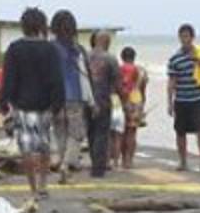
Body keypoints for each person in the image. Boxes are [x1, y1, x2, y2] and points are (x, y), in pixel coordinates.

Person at [0, 7, 65, 200]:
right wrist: (57, 104)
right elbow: (57, 79)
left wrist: (3, 102)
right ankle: (44, 183)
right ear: (41, 26)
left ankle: (33, 188)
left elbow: (8, 78)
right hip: (45, 105)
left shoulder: (15, 48)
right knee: (44, 145)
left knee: (26, 147)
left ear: (23, 26)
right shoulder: (50, 49)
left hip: (22, 105)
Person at [167, 24, 200, 172]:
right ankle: (183, 161)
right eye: (182, 37)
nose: (184, 39)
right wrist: (169, 102)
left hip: (197, 98)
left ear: (192, 37)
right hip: (181, 99)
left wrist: (198, 60)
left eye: (187, 36)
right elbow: (172, 81)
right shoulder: (175, 59)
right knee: (180, 132)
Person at [51, 10, 93, 182]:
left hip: (55, 96)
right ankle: (66, 164)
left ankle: (63, 162)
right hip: (75, 95)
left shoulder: (50, 48)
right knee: (76, 133)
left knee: (60, 132)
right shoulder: (78, 50)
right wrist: (92, 100)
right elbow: (87, 75)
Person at [86, 31, 121, 177]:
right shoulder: (110, 59)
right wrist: (121, 100)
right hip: (103, 100)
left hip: (86, 101)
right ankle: (98, 168)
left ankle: (94, 162)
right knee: (101, 134)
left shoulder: (85, 57)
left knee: (91, 133)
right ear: (106, 41)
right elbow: (117, 82)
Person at [118, 46, 148, 169]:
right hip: (136, 100)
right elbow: (143, 90)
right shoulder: (141, 71)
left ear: (122, 57)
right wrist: (143, 104)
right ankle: (129, 160)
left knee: (122, 132)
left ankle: (122, 159)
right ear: (134, 57)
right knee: (132, 132)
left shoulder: (119, 69)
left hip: (123, 101)